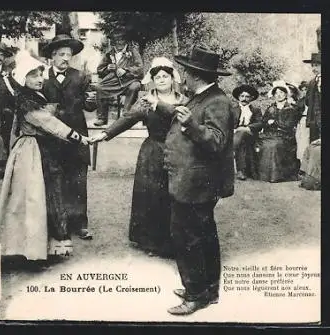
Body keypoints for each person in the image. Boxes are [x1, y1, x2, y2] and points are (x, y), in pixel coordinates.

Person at [143, 45, 235, 315]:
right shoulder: (203, 96)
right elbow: (179, 112)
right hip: (194, 181)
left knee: (187, 237)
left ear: (196, 75)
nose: (182, 74)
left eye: (186, 71)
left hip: (196, 184)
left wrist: (191, 126)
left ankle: (195, 294)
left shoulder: (216, 101)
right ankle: (208, 289)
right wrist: (161, 106)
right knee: (204, 235)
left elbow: (217, 141)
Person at [0, 50, 90, 268]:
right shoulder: (26, 100)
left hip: (40, 149)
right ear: (23, 79)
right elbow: (47, 122)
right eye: (33, 76)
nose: (39, 79)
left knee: (41, 197)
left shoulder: (34, 97)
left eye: (40, 75)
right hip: (31, 152)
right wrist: (78, 137)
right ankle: (25, 249)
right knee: (31, 199)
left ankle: (39, 246)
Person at [89, 57, 183, 257]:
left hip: (177, 152)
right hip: (152, 152)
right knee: (151, 195)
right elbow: (127, 119)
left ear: (172, 78)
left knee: (173, 195)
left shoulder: (182, 99)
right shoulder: (145, 102)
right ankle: (151, 241)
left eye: (165, 76)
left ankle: (173, 240)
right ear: (152, 80)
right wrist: (105, 134)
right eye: (157, 77)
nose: (162, 80)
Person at [42, 34, 94, 240]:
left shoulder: (80, 77)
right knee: (56, 180)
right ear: (52, 56)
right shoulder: (43, 78)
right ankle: (58, 224)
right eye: (61, 54)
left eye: (69, 55)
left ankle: (80, 223)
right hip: (53, 139)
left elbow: (91, 105)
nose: (66, 58)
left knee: (78, 180)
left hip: (77, 137)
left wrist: (91, 97)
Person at [93, 31, 144, 126]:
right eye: (116, 40)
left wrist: (126, 70)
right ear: (113, 42)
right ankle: (102, 118)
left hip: (130, 81)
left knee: (134, 87)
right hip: (114, 82)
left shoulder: (133, 52)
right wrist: (107, 68)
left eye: (121, 40)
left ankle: (126, 117)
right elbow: (99, 70)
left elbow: (140, 69)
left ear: (125, 41)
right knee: (99, 88)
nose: (119, 42)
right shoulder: (109, 54)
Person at [256, 80, 301, 183]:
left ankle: (275, 176)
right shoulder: (270, 108)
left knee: (274, 145)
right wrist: (268, 123)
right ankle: (263, 175)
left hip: (285, 136)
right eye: (276, 93)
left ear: (285, 94)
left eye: (281, 93)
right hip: (270, 134)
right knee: (261, 143)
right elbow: (264, 122)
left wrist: (275, 122)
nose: (278, 95)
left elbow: (289, 125)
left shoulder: (291, 109)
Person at [299, 52, 322, 191]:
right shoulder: (312, 82)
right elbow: (308, 101)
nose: (314, 68)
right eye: (313, 65)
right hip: (314, 120)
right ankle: (315, 178)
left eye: (317, 65)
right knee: (314, 147)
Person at [231, 84, 263, 180]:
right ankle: (241, 171)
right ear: (238, 97)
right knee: (241, 142)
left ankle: (231, 149)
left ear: (251, 98)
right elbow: (227, 122)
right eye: (242, 96)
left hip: (250, 134)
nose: (244, 99)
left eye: (247, 96)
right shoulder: (232, 109)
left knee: (242, 134)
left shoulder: (256, 110)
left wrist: (246, 128)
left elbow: (260, 123)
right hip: (235, 134)